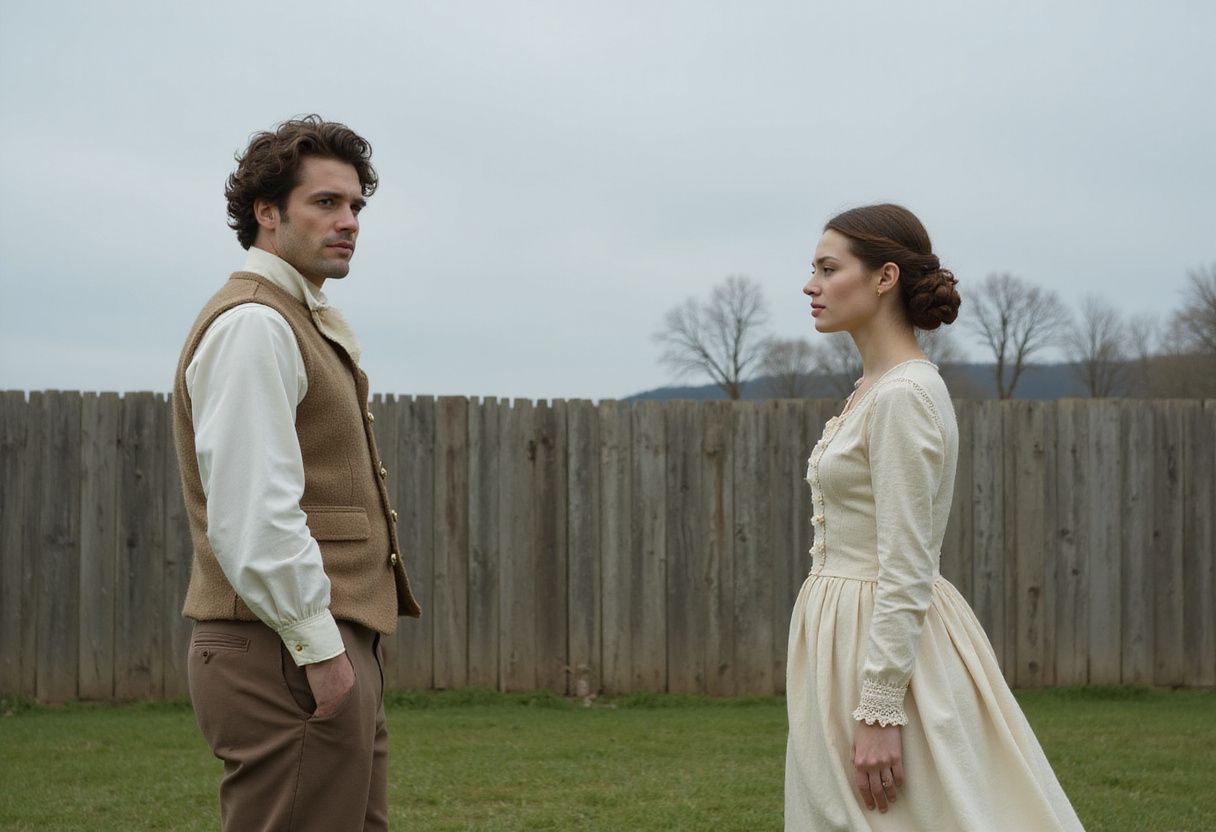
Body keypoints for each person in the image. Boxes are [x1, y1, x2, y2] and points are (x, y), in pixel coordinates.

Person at [784, 204, 1084, 831]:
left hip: (883, 643)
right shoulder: (873, 388)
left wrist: (879, 710)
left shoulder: (903, 396)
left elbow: (906, 562)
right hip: (843, 638)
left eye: (828, 268)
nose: (810, 285)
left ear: (884, 276)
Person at [171, 115, 421, 831]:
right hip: (284, 649)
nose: (349, 222)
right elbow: (254, 510)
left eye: (356, 207)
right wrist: (320, 649)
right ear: (267, 213)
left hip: (315, 644)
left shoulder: (298, 319)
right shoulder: (255, 324)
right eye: (326, 203)